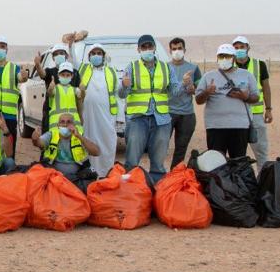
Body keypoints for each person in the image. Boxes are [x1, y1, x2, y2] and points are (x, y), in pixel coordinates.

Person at [118, 34, 171, 184]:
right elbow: (122, 94)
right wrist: (124, 85)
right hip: (138, 119)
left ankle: (157, 190)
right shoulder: (132, 67)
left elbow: (174, 90)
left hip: (161, 119)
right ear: (139, 49)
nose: (147, 49)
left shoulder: (166, 67)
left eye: (150, 46)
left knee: (159, 160)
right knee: (132, 159)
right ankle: (131, 189)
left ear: (154, 48)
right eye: (144, 47)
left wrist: (186, 86)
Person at [195, 44, 259, 159]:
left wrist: (246, 97)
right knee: (216, 163)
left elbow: (256, 97)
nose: (224, 59)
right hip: (215, 127)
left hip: (240, 126)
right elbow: (198, 100)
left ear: (233, 58)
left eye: (227, 56)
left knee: (238, 161)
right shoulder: (208, 76)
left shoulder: (247, 75)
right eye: (221, 56)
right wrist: (207, 92)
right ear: (217, 58)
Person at [31, 112, 101, 192]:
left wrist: (79, 136)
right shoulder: (52, 134)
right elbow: (39, 143)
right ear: (58, 125)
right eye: (62, 122)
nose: (65, 125)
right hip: (54, 176)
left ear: (74, 125)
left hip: (76, 177)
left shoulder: (79, 135)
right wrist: (35, 138)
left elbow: (96, 152)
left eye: (68, 122)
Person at [77, 43, 118, 177]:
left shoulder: (111, 71)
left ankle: (106, 174)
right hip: (87, 115)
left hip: (107, 117)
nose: (96, 56)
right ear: (89, 56)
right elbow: (72, 61)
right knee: (88, 141)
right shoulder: (83, 69)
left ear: (103, 56)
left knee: (108, 143)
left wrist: (120, 119)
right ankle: (90, 174)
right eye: (93, 53)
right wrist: (71, 43)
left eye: (99, 53)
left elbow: (118, 95)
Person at [232, 35, 272, 167]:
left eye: (242, 47)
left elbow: (266, 88)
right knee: (237, 153)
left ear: (248, 47)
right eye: (236, 48)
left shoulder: (259, 65)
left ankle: (263, 181)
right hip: (236, 115)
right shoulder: (228, 67)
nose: (239, 50)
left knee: (261, 151)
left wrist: (268, 109)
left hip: (256, 115)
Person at [166, 37, 202, 168]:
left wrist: (194, 89)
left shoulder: (193, 68)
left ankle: (174, 176)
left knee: (181, 149)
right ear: (169, 50)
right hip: (167, 113)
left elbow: (200, 88)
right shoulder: (165, 67)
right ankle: (158, 176)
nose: (177, 51)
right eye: (174, 49)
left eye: (179, 48)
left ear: (184, 50)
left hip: (187, 114)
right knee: (161, 146)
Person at [33, 43, 66, 131]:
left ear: (66, 55)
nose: (59, 56)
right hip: (50, 112)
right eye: (56, 54)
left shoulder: (74, 73)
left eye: (61, 53)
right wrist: (37, 64)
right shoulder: (50, 71)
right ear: (53, 58)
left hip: (67, 114)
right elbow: (42, 74)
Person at [46, 61, 83, 127]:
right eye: (62, 75)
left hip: (73, 125)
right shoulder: (55, 89)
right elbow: (49, 93)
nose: (65, 77)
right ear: (58, 75)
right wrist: (50, 88)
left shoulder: (75, 90)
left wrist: (83, 90)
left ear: (72, 76)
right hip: (57, 125)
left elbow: (81, 100)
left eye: (68, 75)